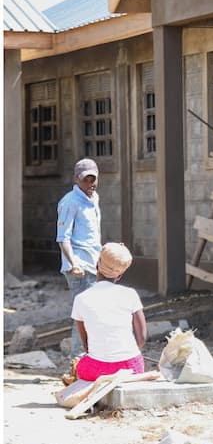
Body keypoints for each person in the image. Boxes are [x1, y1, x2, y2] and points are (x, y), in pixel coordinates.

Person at [70, 242, 147, 382]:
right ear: (120, 274)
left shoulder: (81, 299)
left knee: (80, 365)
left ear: (97, 264)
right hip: (131, 368)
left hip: (97, 370)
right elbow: (141, 339)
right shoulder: (130, 294)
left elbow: (86, 346)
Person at [57, 158, 102, 357]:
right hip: (79, 268)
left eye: (93, 179)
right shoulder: (70, 202)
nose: (90, 183)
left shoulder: (94, 198)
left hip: (93, 264)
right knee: (83, 315)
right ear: (76, 179)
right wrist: (74, 264)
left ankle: (88, 358)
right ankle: (78, 360)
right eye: (86, 179)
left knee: (91, 313)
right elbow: (62, 238)